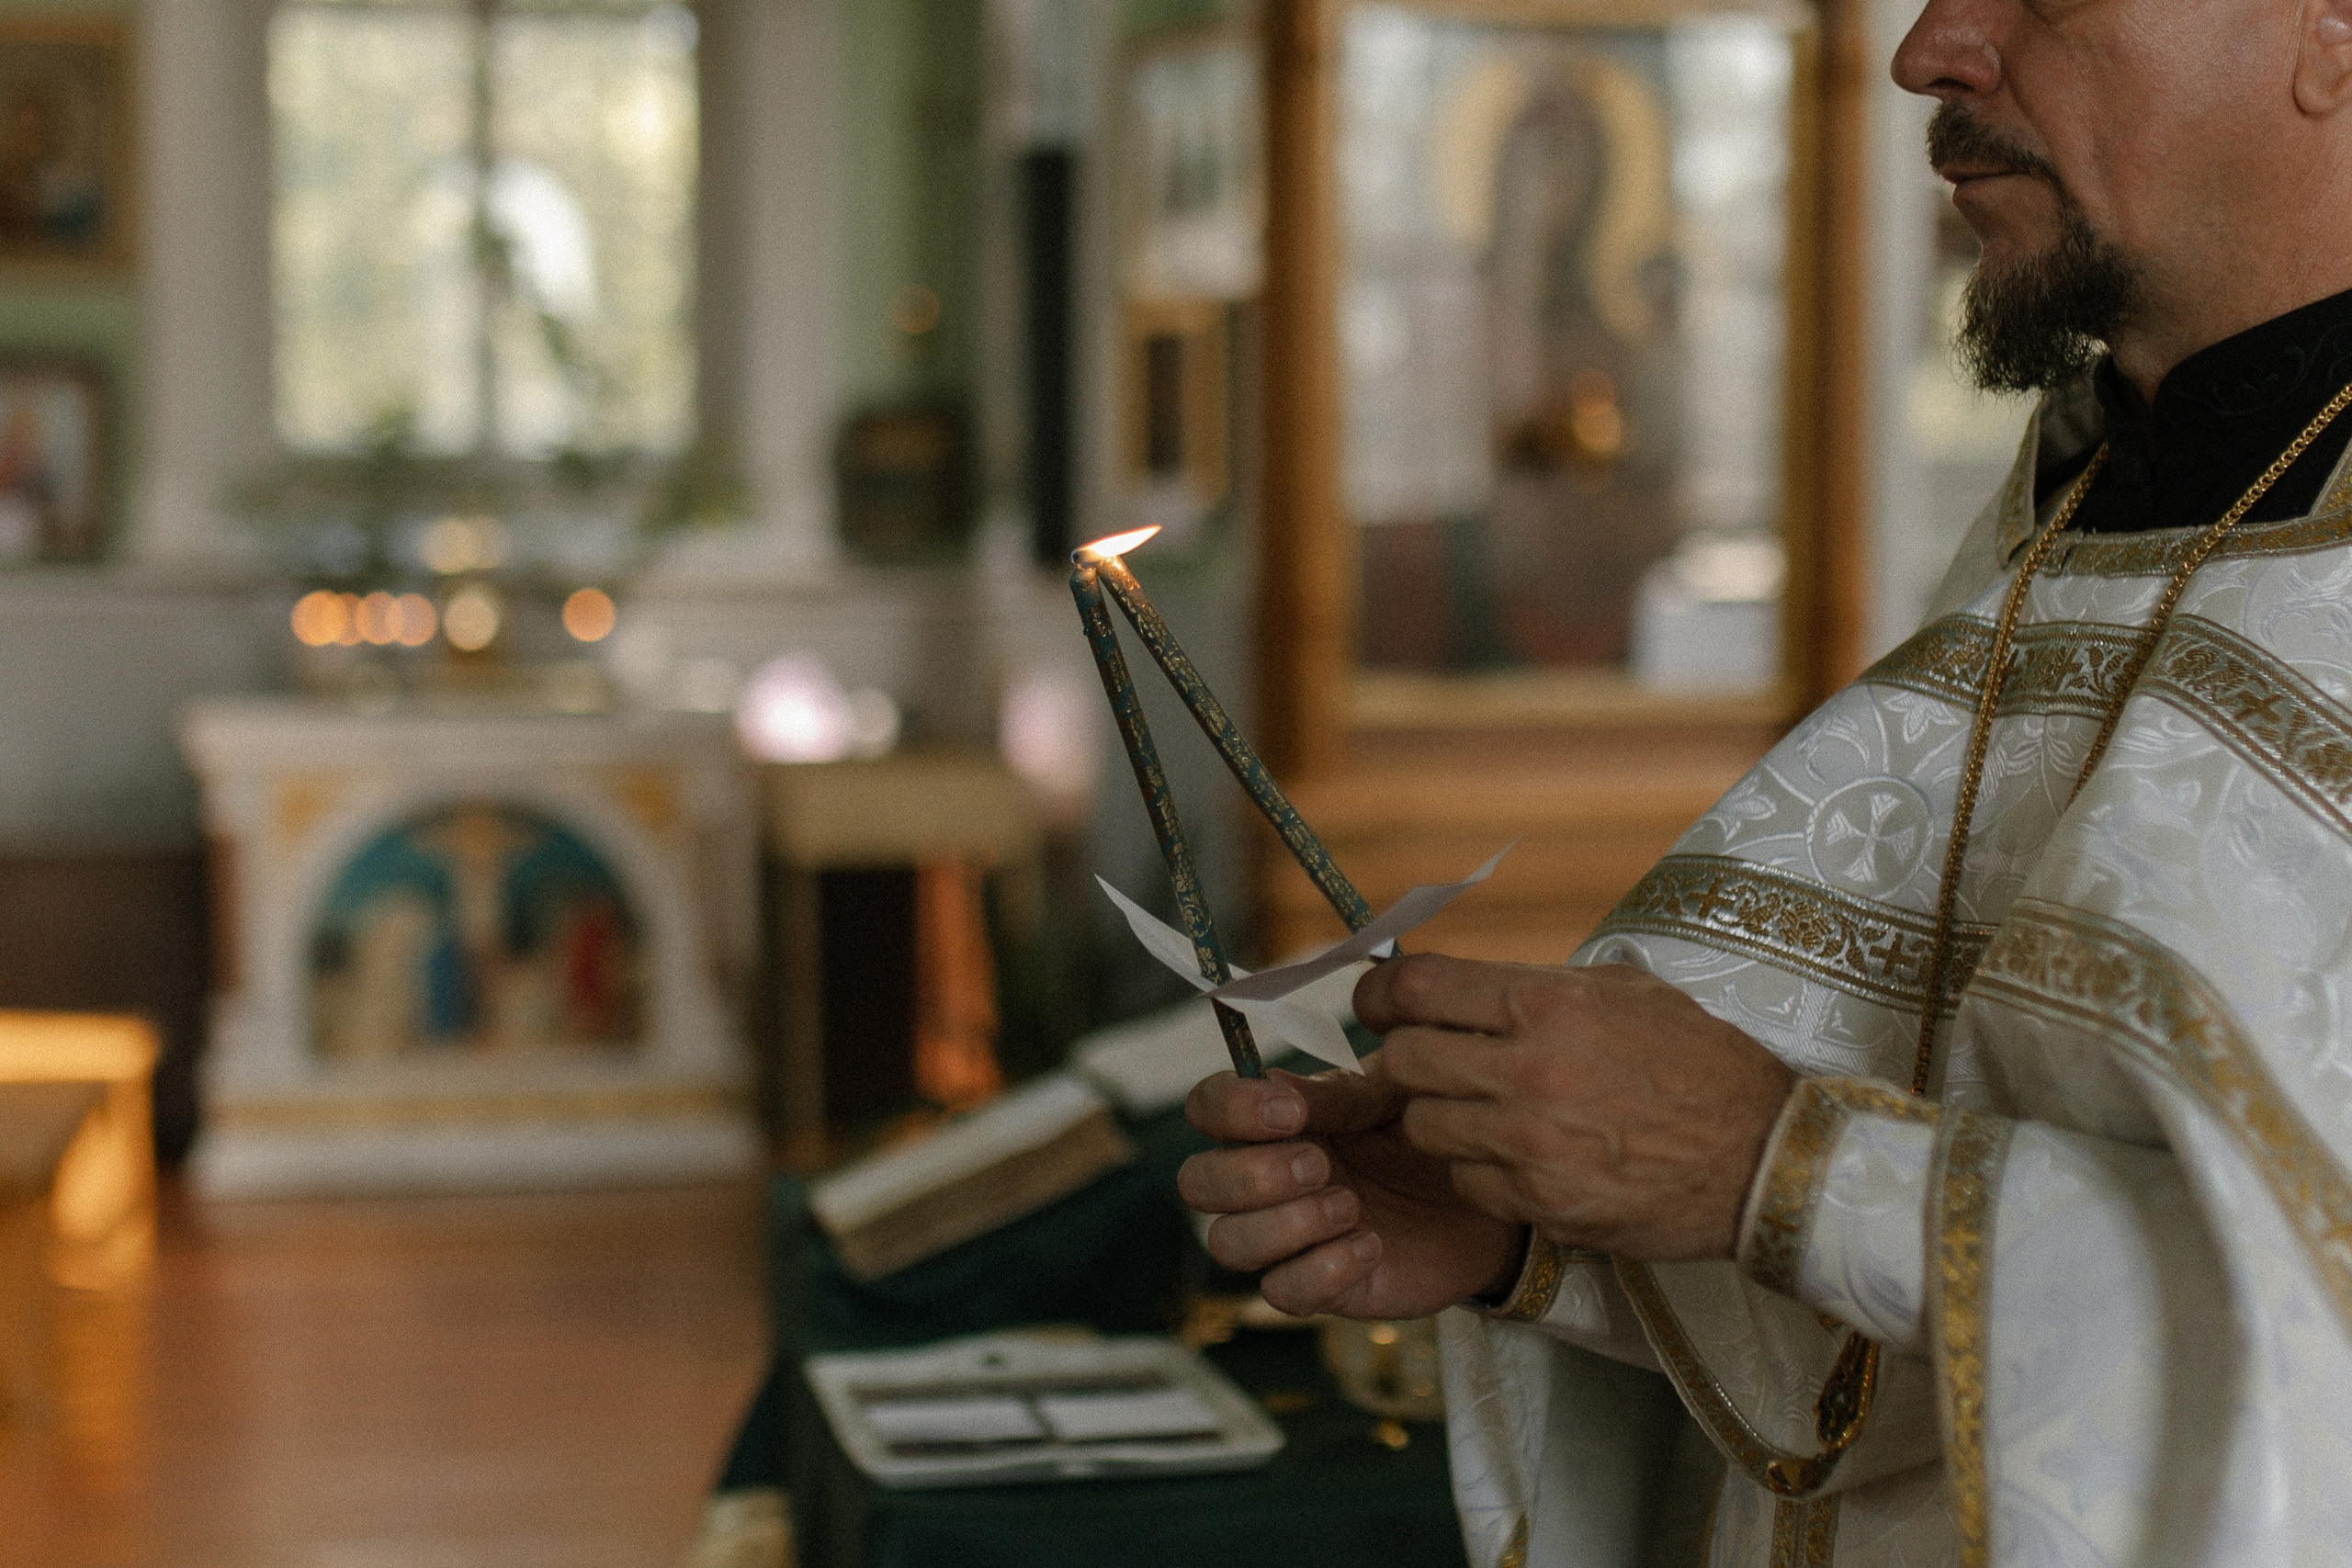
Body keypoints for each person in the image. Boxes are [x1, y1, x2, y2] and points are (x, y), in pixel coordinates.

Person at [1181, 0, 2352, 1562]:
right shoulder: (2087, 502)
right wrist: (1553, 1230)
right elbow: (1947, 1270)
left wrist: (1778, 1168)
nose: (1927, 49)